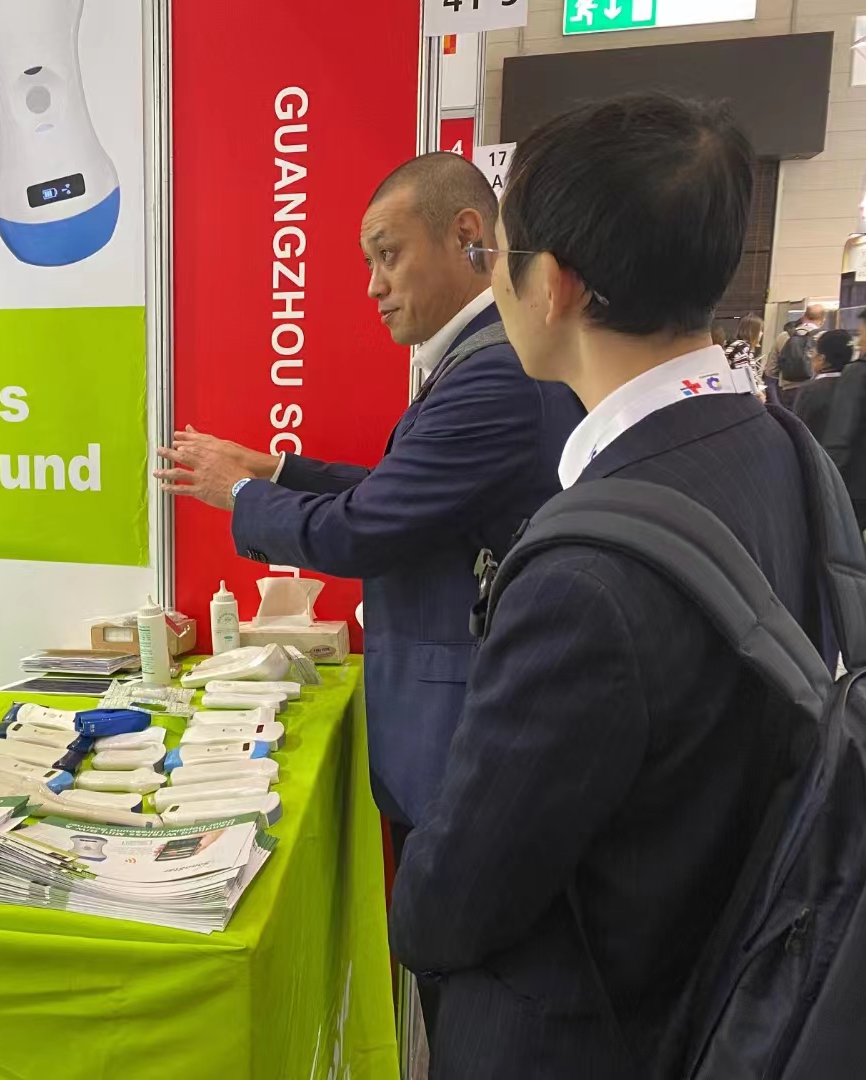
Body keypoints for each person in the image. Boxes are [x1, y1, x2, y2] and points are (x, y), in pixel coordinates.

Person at [390, 94, 823, 1078]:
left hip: (583, 1034)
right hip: (730, 991)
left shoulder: (586, 579)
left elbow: (448, 907)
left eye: (499, 255)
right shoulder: (781, 450)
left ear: (554, 285)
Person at [154, 152, 584, 847]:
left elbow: (361, 530)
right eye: (369, 262)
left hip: (464, 740)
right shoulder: (480, 360)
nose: (373, 286)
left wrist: (235, 491)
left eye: (389, 255)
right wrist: (276, 469)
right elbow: (406, 493)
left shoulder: (495, 375)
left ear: (467, 234)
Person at [823, 313, 866, 531]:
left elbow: (840, 435)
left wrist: (827, 482)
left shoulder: (858, 373)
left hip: (857, 482)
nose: (859, 341)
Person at [792, 327, 851, 441]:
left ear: (821, 359)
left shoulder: (810, 390)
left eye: (813, 353)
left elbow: (798, 429)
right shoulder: (856, 386)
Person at [765, 304, 825, 408]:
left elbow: (771, 371)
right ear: (822, 321)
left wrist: (776, 403)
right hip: (814, 392)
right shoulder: (824, 338)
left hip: (787, 393)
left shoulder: (783, 336)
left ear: (803, 317)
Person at [724, 312, 765, 397]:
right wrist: (758, 394)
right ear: (752, 331)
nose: (762, 333)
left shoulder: (739, 346)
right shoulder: (741, 348)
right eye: (760, 330)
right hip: (740, 397)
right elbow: (744, 380)